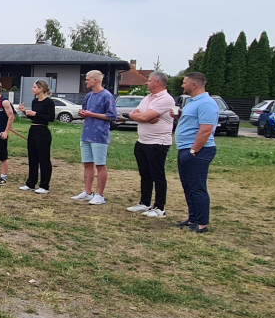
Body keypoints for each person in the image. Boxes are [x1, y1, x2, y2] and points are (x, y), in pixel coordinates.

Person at [125, 71, 176, 218]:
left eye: (149, 80)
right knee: (145, 174)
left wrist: (143, 117)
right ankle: (145, 202)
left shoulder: (166, 99)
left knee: (157, 175)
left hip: (157, 143)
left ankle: (159, 208)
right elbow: (137, 113)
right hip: (142, 141)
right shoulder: (148, 98)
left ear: (158, 83)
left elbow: (144, 115)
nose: (146, 83)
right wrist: (141, 117)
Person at [176, 72, 218, 234]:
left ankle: (202, 223)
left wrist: (194, 150)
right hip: (186, 149)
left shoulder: (207, 103)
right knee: (188, 186)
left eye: (184, 82)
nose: (182, 85)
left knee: (197, 187)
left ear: (194, 85)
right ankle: (192, 218)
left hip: (198, 150)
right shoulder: (192, 102)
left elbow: (206, 130)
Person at [73, 70, 117, 205]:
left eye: (87, 79)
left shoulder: (107, 96)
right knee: (87, 164)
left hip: (99, 135)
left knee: (100, 165)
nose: (85, 81)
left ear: (96, 80)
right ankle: (87, 192)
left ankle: (100, 195)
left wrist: (92, 114)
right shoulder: (89, 96)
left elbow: (112, 116)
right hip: (86, 134)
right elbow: (86, 112)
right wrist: (83, 113)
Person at [16, 80, 55, 193]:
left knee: (43, 159)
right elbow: (34, 118)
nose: (32, 89)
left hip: (43, 131)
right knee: (32, 158)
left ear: (41, 89)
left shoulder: (48, 102)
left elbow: (51, 118)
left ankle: (44, 185)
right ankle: (31, 183)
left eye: (34, 87)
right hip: (33, 129)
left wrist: (36, 114)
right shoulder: (35, 101)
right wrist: (25, 112)